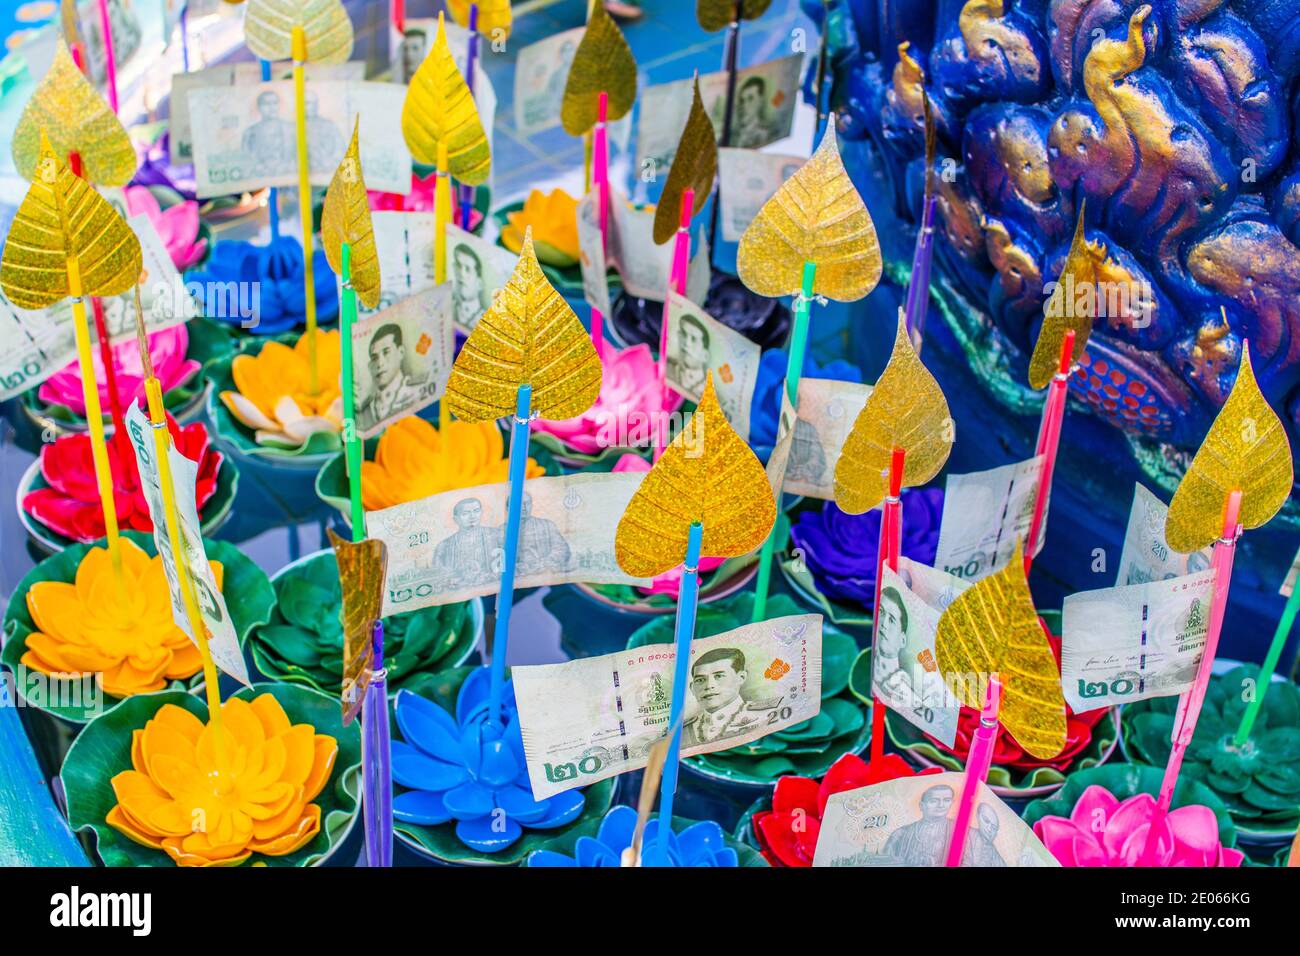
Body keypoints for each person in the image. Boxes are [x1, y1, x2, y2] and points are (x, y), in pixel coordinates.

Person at [681, 648, 776, 747]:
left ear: (741, 677)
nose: (709, 686)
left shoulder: (767, 714)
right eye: (700, 680)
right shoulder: (682, 732)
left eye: (719, 676)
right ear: (692, 687)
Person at [356, 324, 424, 432]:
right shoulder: (365, 410)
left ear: (401, 352)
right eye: (374, 358)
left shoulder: (420, 390)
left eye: (386, 352)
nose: (380, 363)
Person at [433, 498, 500, 588]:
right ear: (455, 519)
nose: (472, 516)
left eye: (476, 511)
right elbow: (439, 577)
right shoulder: (444, 546)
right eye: (465, 513)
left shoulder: (496, 534)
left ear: (481, 512)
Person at [882, 784, 955, 866]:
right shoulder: (900, 834)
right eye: (933, 801)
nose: (941, 805)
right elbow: (885, 862)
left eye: (946, 800)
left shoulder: (967, 833)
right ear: (921, 806)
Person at [514, 493, 572, 576]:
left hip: (546, 576)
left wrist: (545, 563)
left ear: (531, 505)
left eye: (527, 503)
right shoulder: (500, 531)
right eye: (519, 504)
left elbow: (562, 549)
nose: (523, 508)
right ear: (508, 508)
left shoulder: (547, 525)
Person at [241, 90, 294, 174]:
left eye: (275, 103)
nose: (272, 107)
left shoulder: (290, 128)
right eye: (266, 104)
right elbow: (246, 156)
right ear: (259, 107)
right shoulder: (250, 132)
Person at [666, 312, 710, 396]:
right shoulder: (667, 368)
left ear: (705, 356)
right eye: (683, 334)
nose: (686, 343)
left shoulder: (713, 393)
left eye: (694, 339)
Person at [451, 243, 490, 330]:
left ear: (480, 284)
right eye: (458, 265)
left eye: (468, 269)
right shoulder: (448, 307)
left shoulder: (487, 322)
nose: (461, 273)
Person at [304, 91, 345, 171]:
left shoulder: (329, 125)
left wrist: (333, 162)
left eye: (314, 103)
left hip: (327, 171)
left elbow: (340, 148)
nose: (312, 107)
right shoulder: (291, 127)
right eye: (308, 103)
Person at [732, 75, 776, 149]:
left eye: (750, 99)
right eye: (742, 101)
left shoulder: (765, 135)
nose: (744, 106)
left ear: (761, 101)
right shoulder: (734, 137)